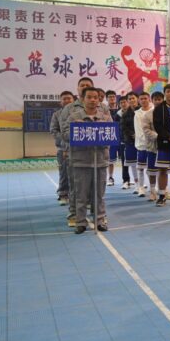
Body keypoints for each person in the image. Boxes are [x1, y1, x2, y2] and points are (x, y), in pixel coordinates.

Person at [63, 87, 111, 233]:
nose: (92, 100)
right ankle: (80, 222)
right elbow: (65, 135)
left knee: (99, 194)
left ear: (99, 100)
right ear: (82, 99)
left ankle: (100, 220)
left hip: (100, 161)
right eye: (89, 97)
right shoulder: (74, 117)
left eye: (95, 97)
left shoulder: (105, 117)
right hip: (81, 161)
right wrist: (79, 130)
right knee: (81, 194)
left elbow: (112, 136)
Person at [53, 77, 95, 227]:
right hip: (75, 154)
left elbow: (108, 129)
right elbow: (64, 131)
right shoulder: (69, 108)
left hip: (95, 154)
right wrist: (65, 148)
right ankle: (73, 214)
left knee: (94, 186)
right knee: (75, 186)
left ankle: (97, 215)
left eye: (88, 85)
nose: (84, 87)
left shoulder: (101, 108)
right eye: (82, 85)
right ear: (77, 89)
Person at [50, 90, 75, 205]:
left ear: (73, 100)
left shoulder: (79, 113)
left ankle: (78, 195)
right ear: (60, 102)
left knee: (80, 173)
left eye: (69, 98)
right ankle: (63, 194)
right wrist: (65, 144)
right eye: (64, 99)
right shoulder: (56, 115)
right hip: (63, 149)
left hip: (79, 149)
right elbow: (54, 130)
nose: (67, 100)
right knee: (64, 172)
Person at [133, 92, 156, 198]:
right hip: (141, 144)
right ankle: (141, 187)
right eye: (141, 99)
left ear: (149, 99)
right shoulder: (137, 113)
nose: (143, 100)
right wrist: (143, 140)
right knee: (140, 167)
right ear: (139, 100)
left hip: (153, 143)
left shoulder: (154, 111)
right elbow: (137, 129)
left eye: (145, 98)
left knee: (153, 168)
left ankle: (154, 188)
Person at [120, 92, 139, 193]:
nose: (132, 100)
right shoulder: (125, 114)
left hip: (143, 141)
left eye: (133, 98)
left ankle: (150, 185)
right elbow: (123, 127)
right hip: (130, 141)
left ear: (137, 99)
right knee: (133, 164)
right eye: (130, 99)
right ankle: (137, 184)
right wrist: (132, 134)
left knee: (145, 164)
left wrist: (139, 134)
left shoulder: (142, 110)